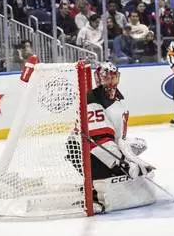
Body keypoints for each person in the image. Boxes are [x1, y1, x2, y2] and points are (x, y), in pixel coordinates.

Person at [66, 63, 155, 213]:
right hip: (85, 150)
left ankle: (98, 180)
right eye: (107, 79)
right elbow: (99, 141)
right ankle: (92, 192)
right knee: (121, 172)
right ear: (99, 79)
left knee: (137, 151)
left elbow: (117, 136)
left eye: (114, 78)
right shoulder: (91, 100)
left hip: (103, 148)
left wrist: (131, 157)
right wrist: (121, 163)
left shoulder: (118, 98)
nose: (111, 82)